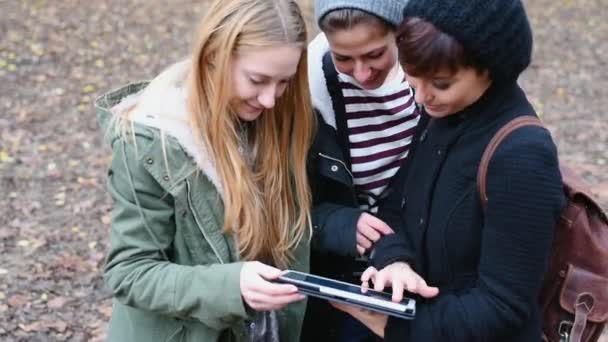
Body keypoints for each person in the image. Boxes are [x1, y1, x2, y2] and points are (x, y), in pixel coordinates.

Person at [333, 0, 566, 341]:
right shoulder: (441, 114)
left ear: (489, 68)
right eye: (413, 78)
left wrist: (397, 325)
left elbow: (503, 307)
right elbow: (398, 206)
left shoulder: (523, 155)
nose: (421, 97)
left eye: (441, 83)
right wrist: (396, 260)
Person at [94, 0, 315, 341]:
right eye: (257, 80)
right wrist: (230, 286)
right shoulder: (152, 142)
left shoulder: (283, 123)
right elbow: (130, 272)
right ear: (214, 56)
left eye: (284, 82)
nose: (271, 99)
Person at [303, 0, 419, 341]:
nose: (362, 73)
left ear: (399, 32)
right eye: (344, 59)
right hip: (347, 279)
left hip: (420, 266)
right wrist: (339, 224)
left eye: (374, 55)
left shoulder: (432, 70)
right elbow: (280, 204)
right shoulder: (310, 89)